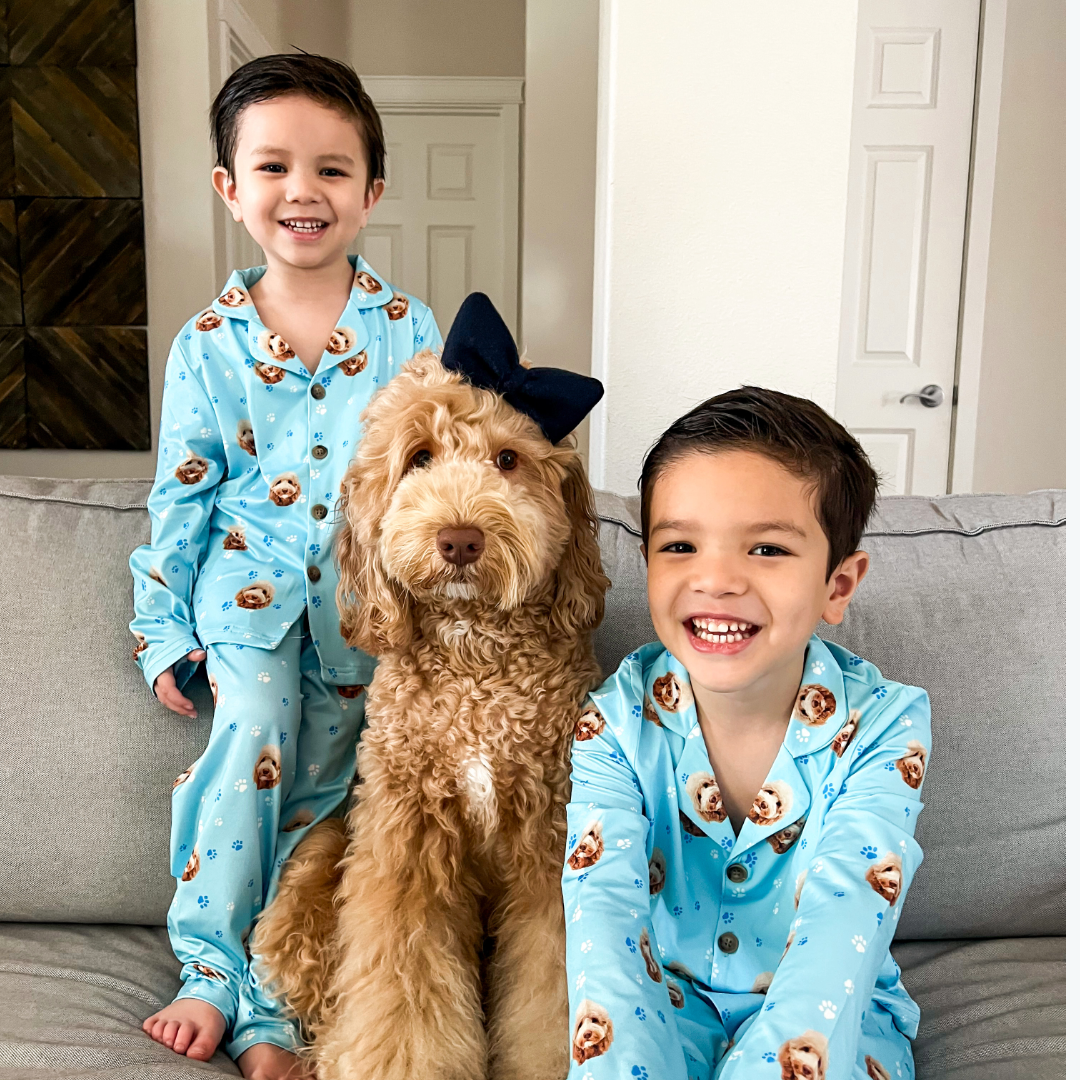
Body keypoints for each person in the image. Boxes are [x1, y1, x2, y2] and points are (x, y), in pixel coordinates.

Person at [129, 53, 441, 1079]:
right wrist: (162, 629)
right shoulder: (205, 344)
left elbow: (433, 481)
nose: (302, 190)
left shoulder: (410, 330)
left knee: (332, 789)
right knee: (250, 744)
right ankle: (210, 971)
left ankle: (274, 1007)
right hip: (245, 600)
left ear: (371, 191)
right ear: (231, 189)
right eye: (272, 167)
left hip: (363, 610)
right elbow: (180, 497)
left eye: (331, 170)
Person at [562, 388, 931, 1080]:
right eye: (680, 546)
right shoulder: (611, 721)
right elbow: (603, 919)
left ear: (838, 585)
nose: (717, 580)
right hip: (662, 1004)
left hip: (837, 1013)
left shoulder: (886, 725)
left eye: (767, 548)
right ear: (647, 564)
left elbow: (846, 919)